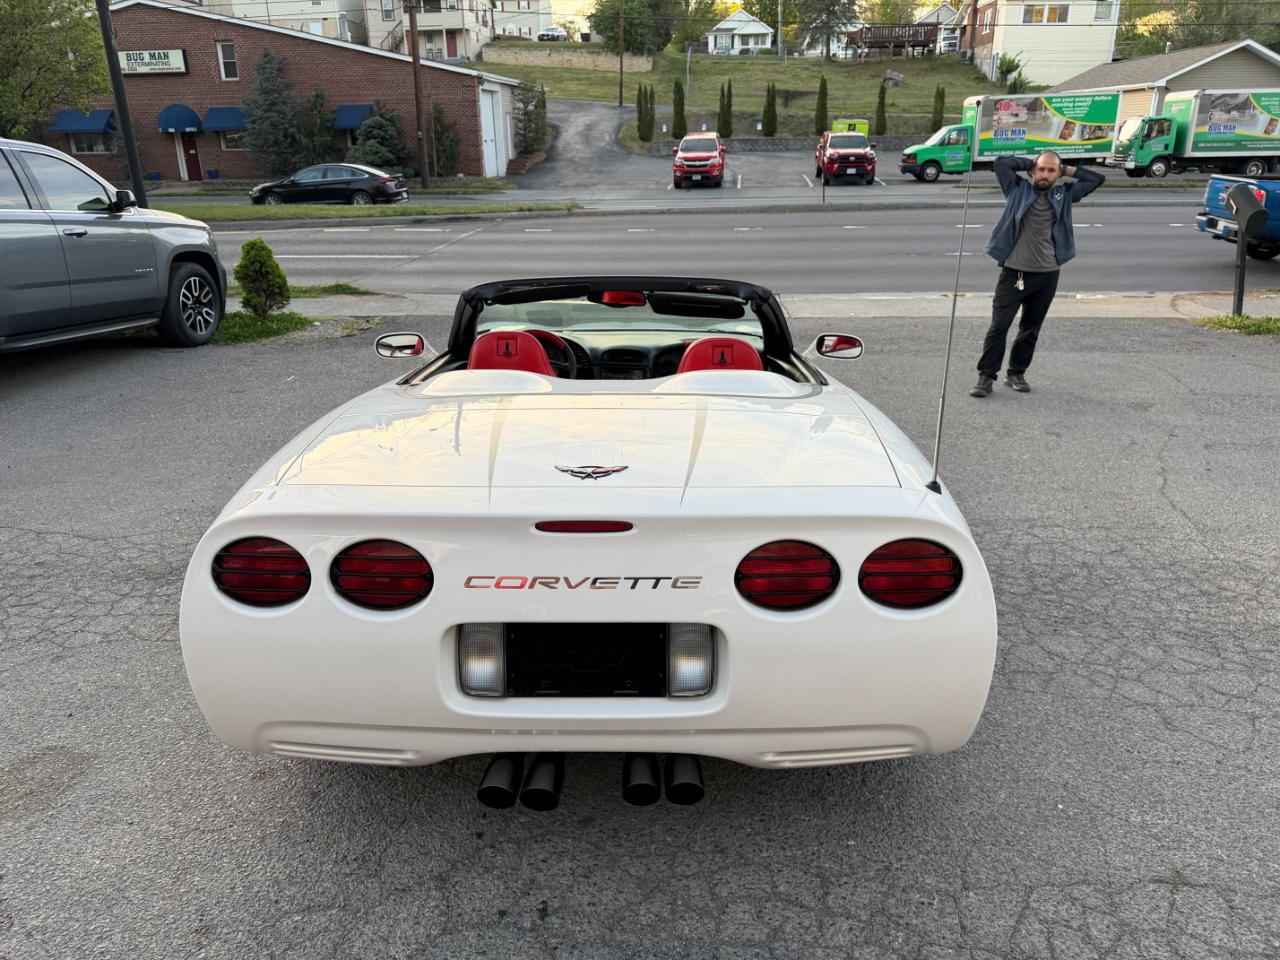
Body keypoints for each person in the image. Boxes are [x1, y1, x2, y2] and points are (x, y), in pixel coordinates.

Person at [970, 151, 1104, 397]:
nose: (1045, 174)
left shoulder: (1064, 195)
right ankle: (985, 377)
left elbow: (1096, 179)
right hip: (1015, 273)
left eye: (1051, 171)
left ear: (1058, 174)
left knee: (1030, 328)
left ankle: (1016, 373)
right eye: (1041, 170)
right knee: (999, 326)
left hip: (1047, 274)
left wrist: (1066, 169)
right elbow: (1002, 163)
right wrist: (1033, 162)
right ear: (1033, 171)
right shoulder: (1016, 189)